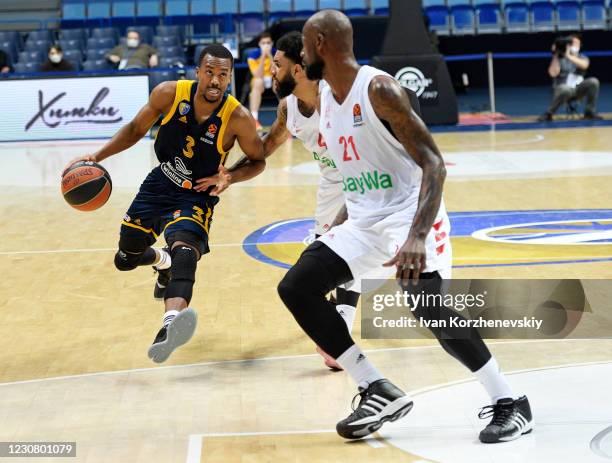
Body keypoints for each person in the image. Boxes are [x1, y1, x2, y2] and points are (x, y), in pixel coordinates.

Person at [278, 10, 533, 443]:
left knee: (426, 304)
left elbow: (433, 163)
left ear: (320, 42)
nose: (301, 55)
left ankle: (511, 402)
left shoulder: (378, 88)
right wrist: (334, 231)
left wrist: (416, 234)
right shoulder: (326, 103)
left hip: (409, 214)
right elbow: (358, 182)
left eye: (304, 45)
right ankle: (376, 388)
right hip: (363, 219)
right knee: (297, 285)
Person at [64, 45, 265, 363]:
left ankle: (169, 325)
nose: (215, 80)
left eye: (222, 75)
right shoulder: (169, 94)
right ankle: (162, 262)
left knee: (186, 253)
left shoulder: (237, 117)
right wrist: (96, 157)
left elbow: (258, 161)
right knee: (125, 258)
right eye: (209, 72)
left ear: (229, 77)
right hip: (159, 184)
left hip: (197, 194)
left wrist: (230, 178)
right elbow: (134, 130)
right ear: (198, 71)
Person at [538, 34, 602, 121]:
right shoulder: (559, 58)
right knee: (565, 89)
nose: (574, 45)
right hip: (561, 89)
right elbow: (552, 73)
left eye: (577, 44)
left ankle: (589, 112)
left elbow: (584, 65)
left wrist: (568, 55)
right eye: (572, 43)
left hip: (578, 89)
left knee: (594, 81)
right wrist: (556, 54)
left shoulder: (582, 57)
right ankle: (549, 113)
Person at [247, 32, 276, 129]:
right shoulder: (253, 55)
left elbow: (277, 71)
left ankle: (287, 120)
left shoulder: (277, 53)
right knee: (257, 81)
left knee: (282, 83)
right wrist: (263, 56)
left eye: (268, 43)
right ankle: (254, 120)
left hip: (273, 78)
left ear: (272, 43)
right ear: (259, 44)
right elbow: (257, 74)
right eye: (263, 43)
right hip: (261, 79)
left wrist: (270, 56)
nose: (266, 45)